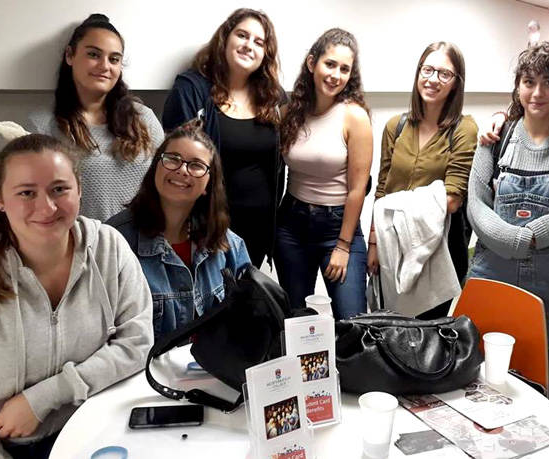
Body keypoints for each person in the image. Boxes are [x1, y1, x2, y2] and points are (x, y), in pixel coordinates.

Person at [0, 133, 153, 459]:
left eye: (59, 189)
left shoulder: (109, 248)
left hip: (100, 433)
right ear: (0, 199)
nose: (47, 207)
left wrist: (47, 396)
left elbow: (137, 342)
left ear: (80, 189)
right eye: (26, 193)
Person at [466, 42, 549, 427]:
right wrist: (512, 238)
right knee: (488, 379)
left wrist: (542, 231)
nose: (537, 92)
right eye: (528, 82)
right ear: (517, 86)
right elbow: (476, 201)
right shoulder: (496, 138)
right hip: (495, 275)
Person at [162, 8, 285, 267]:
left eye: (259, 42)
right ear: (225, 38)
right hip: (205, 227)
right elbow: (174, 162)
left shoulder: (273, 98)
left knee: (246, 292)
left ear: (266, 53)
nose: (249, 45)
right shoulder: (192, 89)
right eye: (242, 35)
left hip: (257, 231)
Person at [108, 121, 251, 340]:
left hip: (211, 361)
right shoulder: (114, 241)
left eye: (196, 165)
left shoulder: (228, 244)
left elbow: (248, 320)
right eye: (173, 159)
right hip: (144, 363)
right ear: (156, 166)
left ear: (209, 183)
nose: (182, 170)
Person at [370, 41, 478, 318]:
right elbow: (382, 190)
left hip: (437, 251)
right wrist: (373, 243)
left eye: (444, 73)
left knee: (426, 334)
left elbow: (452, 200)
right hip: (391, 245)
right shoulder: (396, 126)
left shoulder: (463, 129)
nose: (433, 79)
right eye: (427, 70)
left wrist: (394, 205)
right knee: (390, 328)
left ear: (456, 82)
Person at [275, 28, 372, 320]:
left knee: (353, 324)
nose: (336, 75)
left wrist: (343, 246)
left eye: (344, 69)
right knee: (296, 320)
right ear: (312, 63)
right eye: (330, 64)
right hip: (292, 225)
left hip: (337, 228)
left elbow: (357, 189)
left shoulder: (354, 116)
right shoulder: (289, 112)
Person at [30, 13, 164, 221]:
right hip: (83, 240)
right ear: (70, 55)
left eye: (114, 59)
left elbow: (166, 184)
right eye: (93, 55)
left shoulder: (144, 119)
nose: (105, 66)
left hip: (145, 239)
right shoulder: (43, 126)